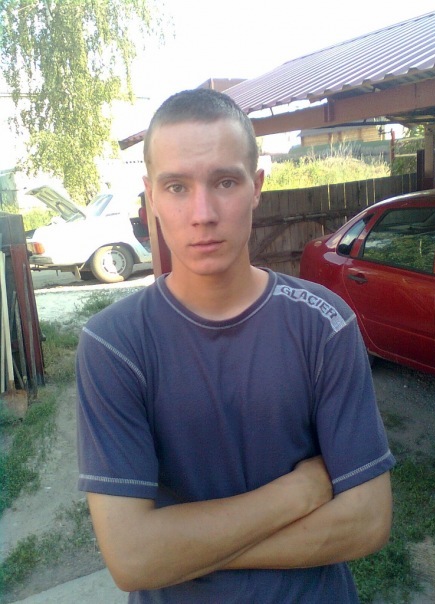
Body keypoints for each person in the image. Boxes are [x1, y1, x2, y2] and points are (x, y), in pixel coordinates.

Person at [76, 88, 395, 603]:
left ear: (256, 187)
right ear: (151, 197)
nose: (203, 212)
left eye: (225, 182)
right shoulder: (115, 346)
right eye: (176, 187)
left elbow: (367, 522)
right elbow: (132, 559)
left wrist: (181, 551)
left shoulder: (324, 324)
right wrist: (296, 493)